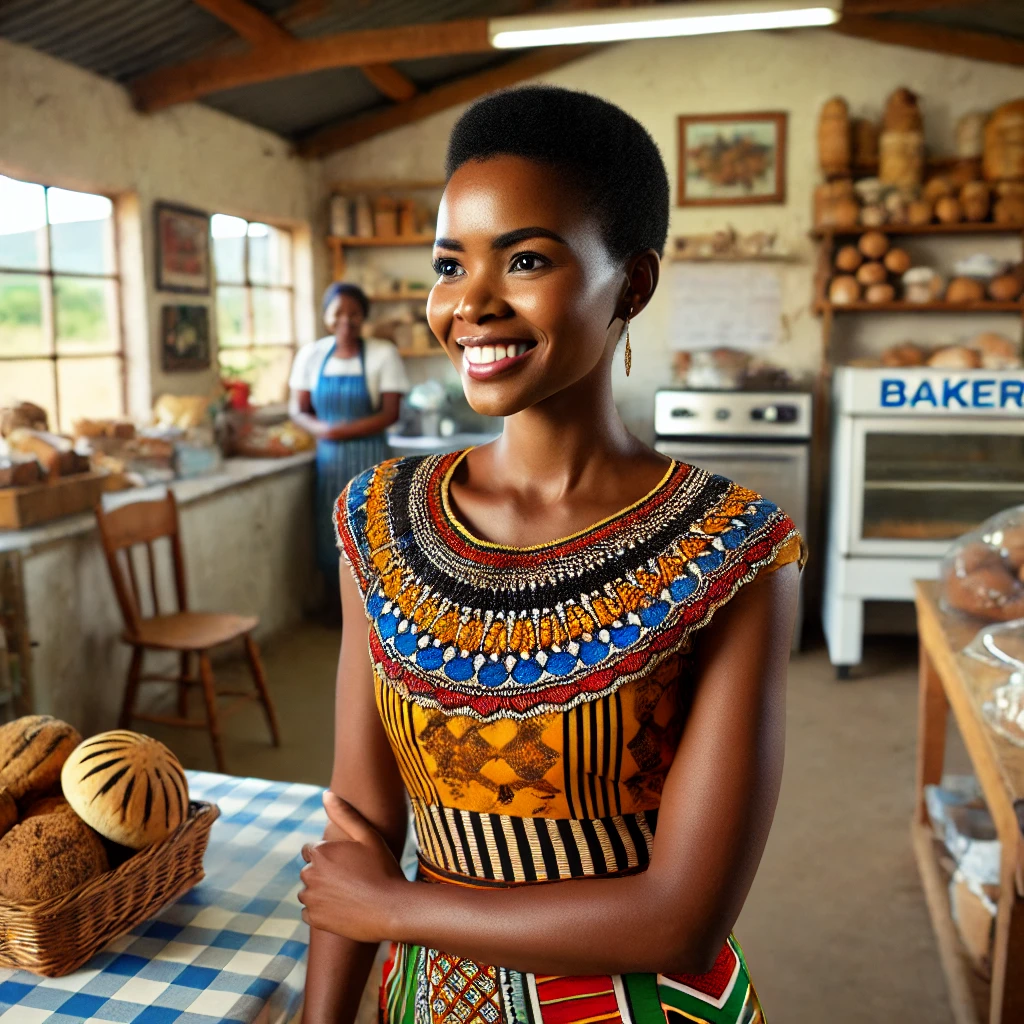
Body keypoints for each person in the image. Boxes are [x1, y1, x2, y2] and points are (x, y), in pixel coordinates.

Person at [299, 86, 804, 1024]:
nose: (471, 305)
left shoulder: (736, 552)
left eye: (525, 259)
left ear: (634, 285)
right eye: (450, 266)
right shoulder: (378, 519)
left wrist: (396, 907)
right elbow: (359, 830)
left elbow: (679, 921)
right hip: (428, 1005)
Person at [289, 282, 408, 614]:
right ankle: (335, 610)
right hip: (329, 463)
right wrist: (323, 430)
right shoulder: (311, 355)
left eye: (354, 313)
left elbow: (390, 412)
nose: (346, 320)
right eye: (338, 312)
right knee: (331, 534)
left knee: (372, 533)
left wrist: (340, 430)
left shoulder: (383, 354)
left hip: (371, 462)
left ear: (364, 317)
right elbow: (297, 409)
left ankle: (377, 612)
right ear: (326, 316)